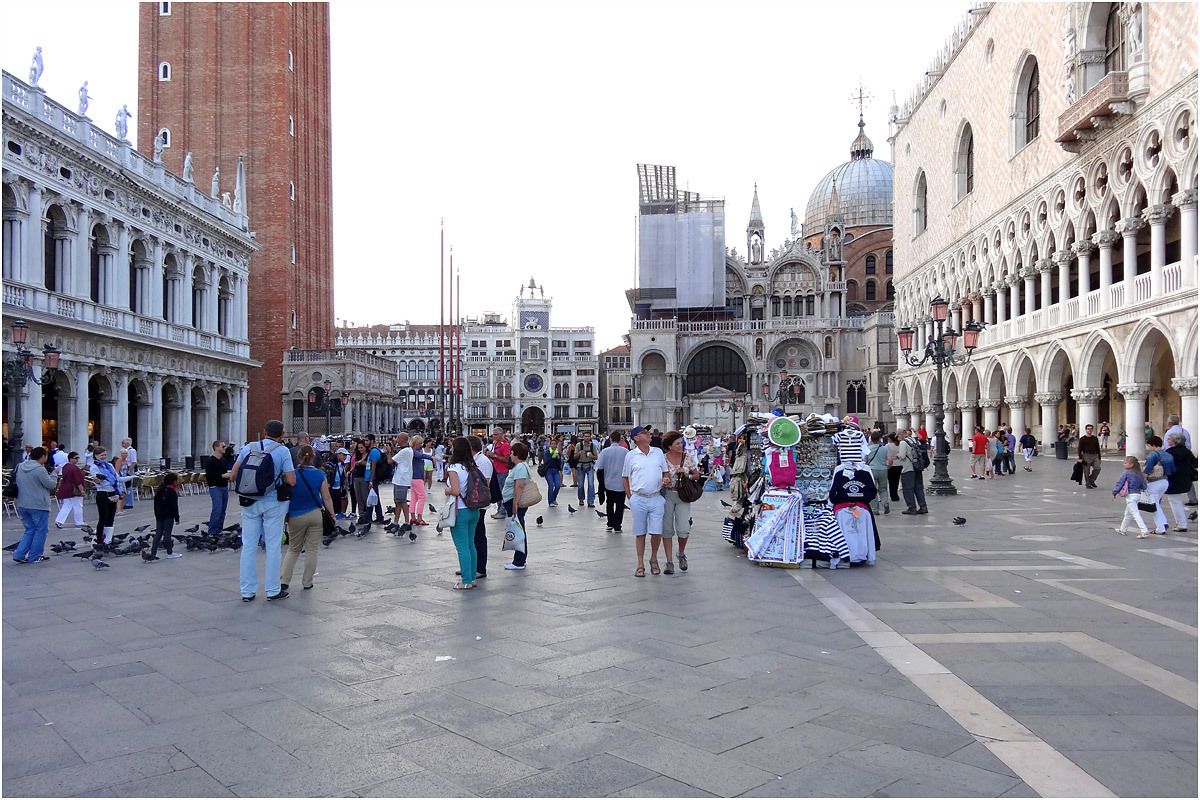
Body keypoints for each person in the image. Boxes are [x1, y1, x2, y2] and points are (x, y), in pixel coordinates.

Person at [229, 419, 296, 602]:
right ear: (281, 435)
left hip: (249, 501)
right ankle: (273, 589)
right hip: (273, 502)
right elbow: (291, 480)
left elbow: (233, 475)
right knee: (273, 545)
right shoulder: (282, 451)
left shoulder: (248, 448)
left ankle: (247, 591)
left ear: (264, 431)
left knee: (249, 546)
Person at [281, 445, 334, 591]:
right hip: (315, 514)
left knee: (293, 549)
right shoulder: (319, 474)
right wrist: (333, 515)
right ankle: (307, 582)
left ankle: (284, 580)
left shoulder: (292, 475)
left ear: (299, 457)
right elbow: (327, 497)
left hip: (296, 515)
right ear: (314, 458)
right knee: (312, 550)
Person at [622, 426, 670, 577]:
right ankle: (640, 563)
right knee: (640, 532)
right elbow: (624, 476)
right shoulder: (631, 455)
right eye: (645, 433)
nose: (649, 435)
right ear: (637, 438)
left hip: (656, 497)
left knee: (656, 532)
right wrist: (630, 495)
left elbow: (665, 471)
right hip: (639, 498)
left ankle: (654, 558)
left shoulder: (658, 453)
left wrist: (665, 480)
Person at [445, 436, 482, 590]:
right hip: (473, 510)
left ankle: (466, 580)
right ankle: (472, 577)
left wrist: (446, 489)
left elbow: (455, 490)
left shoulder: (453, 468)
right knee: (470, 544)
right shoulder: (471, 466)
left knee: (462, 547)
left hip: (459, 511)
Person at [661, 430, 699, 574]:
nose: (681, 445)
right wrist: (664, 480)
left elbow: (696, 475)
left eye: (681, 443)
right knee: (667, 529)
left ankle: (681, 553)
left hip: (683, 495)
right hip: (667, 495)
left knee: (684, 528)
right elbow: (658, 476)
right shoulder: (663, 459)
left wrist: (687, 473)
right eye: (677, 443)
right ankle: (669, 561)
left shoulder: (687, 457)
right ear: (669, 446)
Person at [12, 447, 58, 564]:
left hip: (23, 503)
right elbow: (51, 485)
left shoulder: (20, 466)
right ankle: (35, 556)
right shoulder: (40, 469)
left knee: (29, 529)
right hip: (38, 504)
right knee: (40, 530)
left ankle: (19, 554)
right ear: (42, 457)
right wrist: (54, 474)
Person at [464, 436, 493, 580]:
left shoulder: (483, 461)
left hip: (479, 503)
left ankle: (480, 568)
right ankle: (470, 566)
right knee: (471, 536)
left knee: (479, 536)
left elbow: (485, 483)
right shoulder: (474, 460)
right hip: (473, 502)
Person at [501, 441, 533, 570]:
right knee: (519, 529)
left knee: (519, 530)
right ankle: (519, 559)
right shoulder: (521, 466)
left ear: (516, 454)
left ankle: (519, 561)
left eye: (512, 453)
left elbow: (519, 486)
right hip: (512, 501)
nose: (510, 455)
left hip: (515, 502)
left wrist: (515, 503)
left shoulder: (520, 467)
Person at [596, 431, 629, 532]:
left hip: (608, 482)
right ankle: (617, 525)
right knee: (620, 504)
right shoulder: (625, 452)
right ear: (620, 440)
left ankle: (610, 523)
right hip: (621, 483)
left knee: (609, 503)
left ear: (610, 439)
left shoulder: (605, 452)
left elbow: (599, 467)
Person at [1142, 435, 1175, 536]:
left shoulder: (1153, 455)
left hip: (1154, 482)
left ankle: (1161, 527)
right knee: (1156, 504)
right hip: (1165, 481)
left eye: (1148, 445)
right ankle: (1163, 522)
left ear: (1152, 445)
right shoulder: (1169, 455)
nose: (1148, 448)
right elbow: (1172, 470)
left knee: (1153, 505)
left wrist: (1142, 481)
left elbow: (1147, 470)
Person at [90, 446, 123, 544]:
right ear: (96, 456)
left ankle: (108, 540)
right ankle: (99, 540)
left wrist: (120, 489)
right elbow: (97, 481)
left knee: (111, 518)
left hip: (113, 492)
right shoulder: (94, 467)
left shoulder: (109, 465)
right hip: (103, 493)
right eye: (101, 455)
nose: (104, 457)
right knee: (103, 518)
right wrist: (98, 479)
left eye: (105, 455)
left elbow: (117, 478)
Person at [1163, 431, 1195, 532]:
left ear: (1174, 441)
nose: (1167, 440)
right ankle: (1180, 523)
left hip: (1174, 479)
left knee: (1174, 501)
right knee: (1175, 500)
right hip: (1185, 479)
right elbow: (1195, 463)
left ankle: (1181, 524)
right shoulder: (1186, 451)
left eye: (1169, 439)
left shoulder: (1170, 452)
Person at [1112, 455, 1151, 537]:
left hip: (1130, 495)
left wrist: (1114, 493)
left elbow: (1120, 483)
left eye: (1125, 463)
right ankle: (1122, 529)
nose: (1124, 464)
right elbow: (1144, 486)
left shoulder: (1126, 473)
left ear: (1131, 464)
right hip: (1138, 495)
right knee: (1128, 513)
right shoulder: (1139, 473)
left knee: (1135, 514)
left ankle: (1144, 530)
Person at [148, 472, 182, 560]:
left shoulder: (160, 490)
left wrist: (157, 514)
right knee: (167, 534)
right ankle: (170, 552)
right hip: (168, 516)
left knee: (158, 533)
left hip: (159, 515)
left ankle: (153, 552)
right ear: (174, 482)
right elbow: (174, 507)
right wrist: (177, 518)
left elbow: (155, 504)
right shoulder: (172, 492)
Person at [897, 429, 928, 515]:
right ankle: (923, 507)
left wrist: (898, 455)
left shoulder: (903, 443)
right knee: (918, 488)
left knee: (908, 489)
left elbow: (902, 456)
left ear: (900, 435)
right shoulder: (913, 440)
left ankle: (912, 508)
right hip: (917, 468)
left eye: (898, 436)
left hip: (908, 469)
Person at [206, 440, 233, 536]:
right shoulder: (211, 461)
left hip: (224, 487)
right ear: (216, 447)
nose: (224, 448)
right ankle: (212, 531)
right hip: (215, 487)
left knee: (222, 510)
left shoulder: (223, 460)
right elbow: (209, 476)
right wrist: (222, 476)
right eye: (223, 446)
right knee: (217, 509)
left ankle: (219, 529)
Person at [54, 451, 86, 529]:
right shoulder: (74, 468)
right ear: (70, 459)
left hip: (66, 488)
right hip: (73, 489)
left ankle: (59, 521)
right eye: (75, 458)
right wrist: (81, 490)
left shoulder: (65, 467)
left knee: (67, 505)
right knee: (78, 505)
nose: (77, 460)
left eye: (77, 458)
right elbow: (78, 481)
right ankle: (78, 521)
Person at [569, 431, 600, 508]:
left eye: (588, 436)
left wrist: (591, 456)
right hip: (581, 466)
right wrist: (579, 453)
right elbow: (574, 457)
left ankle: (591, 501)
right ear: (583, 437)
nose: (587, 438)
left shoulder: (593, 446)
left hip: (590, 465)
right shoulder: (579, 445)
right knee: (580, 485)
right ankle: (581, 499)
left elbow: (596, 457)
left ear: (590, 437)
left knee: (591, 484)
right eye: (585, 436)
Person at [487, 429, 512, 519]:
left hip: (502, 471)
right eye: (493, 434)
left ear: (502, 434)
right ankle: (499, 510)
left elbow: (506, 459)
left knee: (503, 492)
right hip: (495, 470)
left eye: (496, 434)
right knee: (498, 492)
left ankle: (503, 511)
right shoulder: (496, 443)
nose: (493, 436)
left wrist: (494, 456)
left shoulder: (505, 445)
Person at [390, 432, 414, 528]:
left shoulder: (405, 451)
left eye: (398, 438)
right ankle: (396, 521)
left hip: (401, 479)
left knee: (402, 501)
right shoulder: (407, 450)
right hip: (400, 479)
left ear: (403, 440)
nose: (396, 440)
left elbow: (390, 461)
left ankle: (406, 522)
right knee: (398, 501)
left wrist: (389, 451)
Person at [865, 431, 890, 515]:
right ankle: (885, 503)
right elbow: (890, 460)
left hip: (872, 470)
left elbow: (865, 461)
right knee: (883, 488)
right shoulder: (884, 448)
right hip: (883, 469)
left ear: (871, 439)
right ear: (880, 439)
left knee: (873, 489)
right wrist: (887, 467)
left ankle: (875, 509)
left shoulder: (868, 449)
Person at [409, 436, 429, 525]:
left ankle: (413, 517)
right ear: (415, 443)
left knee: (414, 498)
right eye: (420, 443)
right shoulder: (413, 451)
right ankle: (419, 517)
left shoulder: (414, 451)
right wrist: (431, 457)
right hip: (417, 477)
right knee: (422, 497)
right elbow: (420, 455)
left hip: (414, 477)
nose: (421, 445)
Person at [325, 447, 351, 518]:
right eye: (344, 455)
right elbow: (327, 474)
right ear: (338, 454)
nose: (345, 457)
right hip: (331, 486)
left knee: (338, 502)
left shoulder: (342, 464)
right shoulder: (330, 463)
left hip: (338, 487)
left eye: (346, 455)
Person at [1077, 423, 1102, 489]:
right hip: (1086, 455)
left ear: (1092, 430)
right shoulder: (1082, 439)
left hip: (1095, 455)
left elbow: (1097, 448)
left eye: (1091, 429)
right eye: (1088, 429)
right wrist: (1080, 457)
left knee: (1097, 468)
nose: (1089, 430)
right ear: (1086, 430)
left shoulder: (1095, 438)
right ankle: (1088, 484)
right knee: (1086, 471)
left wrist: (1099, 457)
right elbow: (1079, 449)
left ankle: (1091, 481)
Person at [542, 435, 564, 507]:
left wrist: (558, 458)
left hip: (556, 471)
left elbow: (559, 464)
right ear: (550, 444)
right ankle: (550, 501)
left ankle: (554, 498)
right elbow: (546, 461)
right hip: (549, 471)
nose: (553, 445)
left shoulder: (557, 453)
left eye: (555, 444)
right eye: (552, 444)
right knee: (551, 485)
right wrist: (553, 456)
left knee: (557, 485)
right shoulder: (548, 452)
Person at [350, 440, 369, 521]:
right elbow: (354, 465)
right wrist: (350, 471)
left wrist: (364, 463)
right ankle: (361, 515)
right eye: (359, 448)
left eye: (362, 448)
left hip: (364, 477)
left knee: (365, 497)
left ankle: (367, 514)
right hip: (356, 477)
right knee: (358, 497)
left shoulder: (369, 455)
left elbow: (371, 465)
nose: (360, 449)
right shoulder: (357, 455)